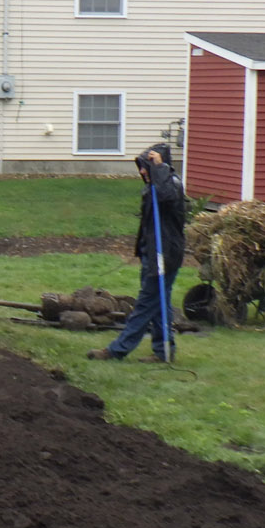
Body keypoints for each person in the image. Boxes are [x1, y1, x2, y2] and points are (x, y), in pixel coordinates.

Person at [89, 142, 186, 363]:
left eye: (146, 166)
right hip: (150, 253)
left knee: (145, 304)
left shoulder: (171, 184)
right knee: (159, 304)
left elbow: (166, 198)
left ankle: (117, 350)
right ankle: (164, 351)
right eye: (141, 166)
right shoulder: (152, 187)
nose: (142, 171)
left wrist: (160, 168)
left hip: (165, 255)